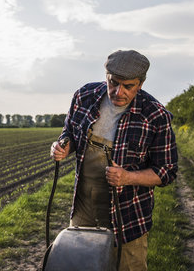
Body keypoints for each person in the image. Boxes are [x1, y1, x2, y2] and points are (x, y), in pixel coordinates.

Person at [51, 50, 178, 271]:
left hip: (128, 217)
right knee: (79, 265)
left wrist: (128, 177)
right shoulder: (84, 96)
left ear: (140, 84)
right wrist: (62, 146)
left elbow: (166, 171)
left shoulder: (155, 115)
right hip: (84, 209)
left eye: (128, 86)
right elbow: (69, 132)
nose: (119, 92)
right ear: (106, 76)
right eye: (113, 83)